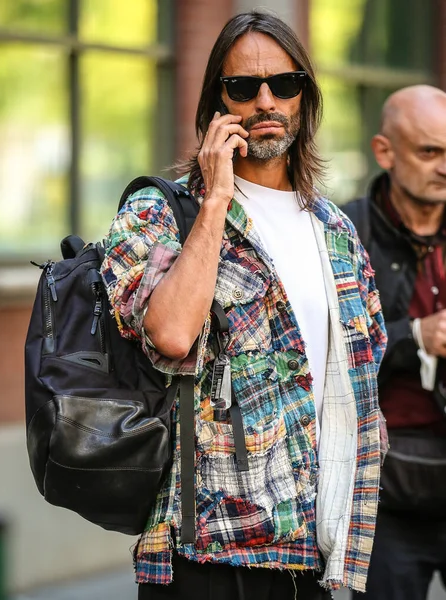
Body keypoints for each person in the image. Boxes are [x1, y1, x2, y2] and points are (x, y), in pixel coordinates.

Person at [101, 11, 387, 600]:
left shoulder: (334, 229)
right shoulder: (160, 214)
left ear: (304, 99)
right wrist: (216, 201)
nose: (266, 101)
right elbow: (173, 335)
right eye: (243, 87)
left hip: (315, 547)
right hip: (206, 552)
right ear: (216, 103)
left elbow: (365, 368)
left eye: (284, 85)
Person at [343, 85, 446, 600]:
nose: (445, 167)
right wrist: (417, 337)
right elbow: (321, 359)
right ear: (385, 152)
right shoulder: (343, 233)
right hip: (384, 501)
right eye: (430, 152)